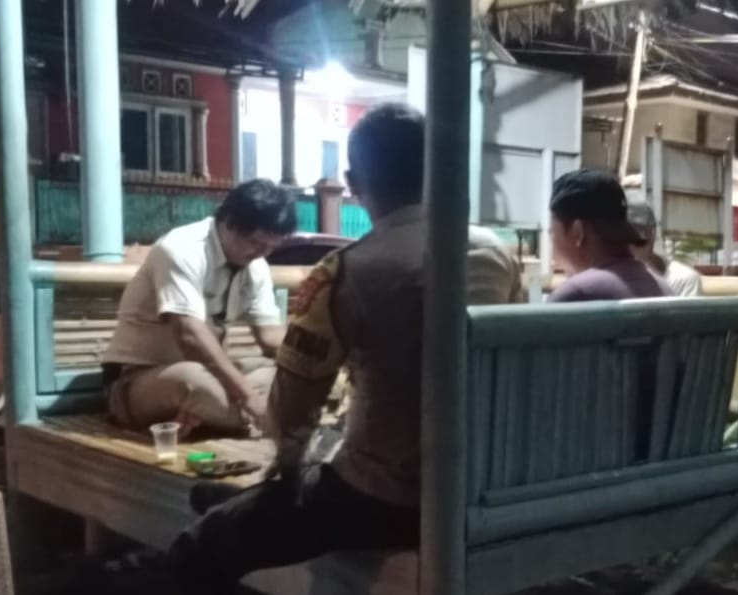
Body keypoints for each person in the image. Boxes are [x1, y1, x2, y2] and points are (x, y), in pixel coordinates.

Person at [168, 102, 521, 594]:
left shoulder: (347, 271)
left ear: (354, 184)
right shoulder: (497, 255)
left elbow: (291, 411)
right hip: (481, 485)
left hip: (382, 501)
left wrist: (287, 474)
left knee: (192, 550)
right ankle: (238, 505)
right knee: (255, 502)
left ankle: (237, 510)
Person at [101, 179, 296, 437]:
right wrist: (248, 396)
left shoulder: (256, 266)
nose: (263, 253)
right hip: (138, 379)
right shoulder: (182, 248)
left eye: (272, 247)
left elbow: (270, 335)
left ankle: (211, 414)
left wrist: (315, 363)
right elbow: (190, 335)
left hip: (208, 372)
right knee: (195, 383)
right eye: (256, 243)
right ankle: (267, 416)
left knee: (291, 378)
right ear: (229, 223)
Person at [548, 169, 674, 302]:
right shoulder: (662, 287)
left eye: (552, 231)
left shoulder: (575, 294)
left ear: (577, 231)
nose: (552, 240)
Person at [626, 200, 703, 297]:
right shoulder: (611, 280)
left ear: (653, 234)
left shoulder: (682, 280)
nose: (631, 245)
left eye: (638, 235)